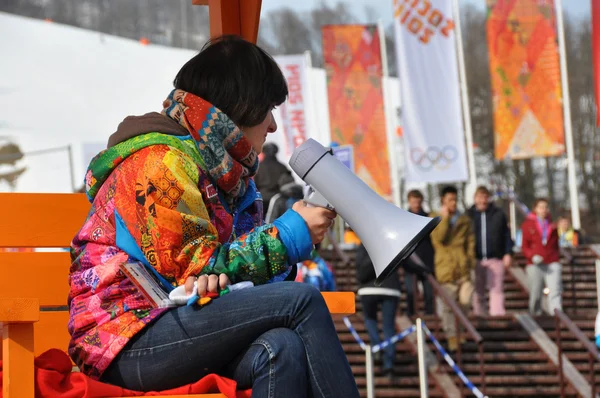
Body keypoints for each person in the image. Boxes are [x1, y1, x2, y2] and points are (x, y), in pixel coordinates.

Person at [68, 36, 360, 397]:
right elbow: (200, 267)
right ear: (243, 105)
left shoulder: (231, 177)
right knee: (301, 300)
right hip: (125, 341)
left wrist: (288, 242)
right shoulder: (161, 163)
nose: (272, 127)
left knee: (281, 347)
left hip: (179, 327)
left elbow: (235, 279)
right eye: (269, 109)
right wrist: (290, 234)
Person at [430, 186, 475, 352]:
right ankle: (451, 337)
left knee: (465, 302)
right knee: (449, 305)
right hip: (446, 268)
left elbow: (470, 243)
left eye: (454, 200)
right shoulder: (435, 218)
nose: (453, 203)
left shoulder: (464, 220)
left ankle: (461, 332)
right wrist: (445, 218)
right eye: (449, 200)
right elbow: (439, 238)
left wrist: (470, 262)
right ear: (443, 201)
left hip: (463, 268)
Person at [355, 243, 401, 379]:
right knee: (389, 327)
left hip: (368, 289)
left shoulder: (363, 246)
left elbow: (360, 270)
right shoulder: (392, 245)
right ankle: (389, 363)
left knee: (370, 320)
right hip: (391, 288)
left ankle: (376, 347)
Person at [466, 186, 514, 317]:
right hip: (476, 258)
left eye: (485, 197)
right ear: (475, 198)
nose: (482, 200)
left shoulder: (498, 214)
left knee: (496, 288)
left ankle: (497, 315)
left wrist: (508, 253)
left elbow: (506, 235)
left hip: (495, 257)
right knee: (478, 290)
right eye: (479, 197)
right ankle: (479, 315)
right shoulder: (468, 216)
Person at [521, 198, 562, 315]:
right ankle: (535, 314)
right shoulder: (528, 224)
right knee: (536, 291)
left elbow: (556, 244)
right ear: (536, 209)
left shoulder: (552, 225)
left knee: (555, 290)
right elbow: (525, 246)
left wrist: (556, 258)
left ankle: (556, 314)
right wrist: (531, 256)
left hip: (552, 261)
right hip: (535, 263)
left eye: (546, 207)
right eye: (541, 207)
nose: (544, 210)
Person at [403, 189, 435, 317]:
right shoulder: (403, 217)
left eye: (417, 200)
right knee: (410, 290)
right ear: (409, 201)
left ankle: (430, 313)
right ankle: (411, 313)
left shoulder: (428, 217)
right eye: (413, 200)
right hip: (410, 261)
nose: (415, 202)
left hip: (426, 259)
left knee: (428, 291)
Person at [254, 142, 292, 216]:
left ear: (264, 152)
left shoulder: (258, 167)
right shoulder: (282, 167)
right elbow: (288, 184)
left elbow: (254, 184)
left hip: (262, 199)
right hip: (278, 200)